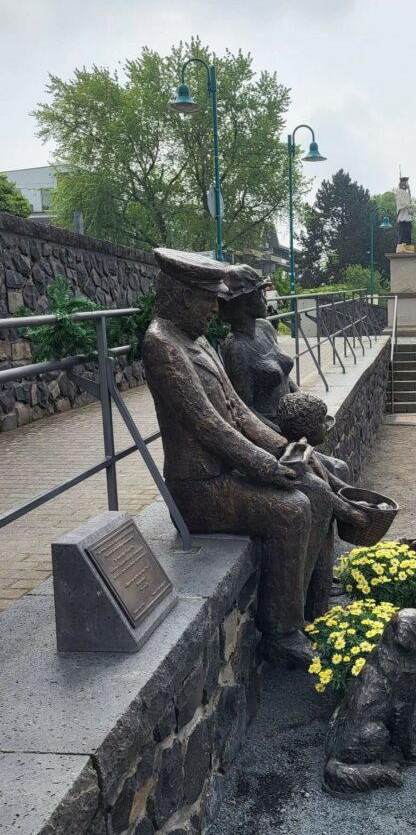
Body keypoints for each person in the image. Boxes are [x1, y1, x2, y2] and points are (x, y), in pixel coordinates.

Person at [141, 249, 365, 666]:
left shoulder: (197, 341)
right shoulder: (162, 346)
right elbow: (210, 426)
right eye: (208, 298)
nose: (215, 307)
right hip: (200, 489)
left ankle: (312, 608)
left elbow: (239, 413)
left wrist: (283, 449)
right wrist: (267, 466)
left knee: (314, 492)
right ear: (182, 294)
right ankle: (280, 634)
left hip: (228, 474)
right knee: (293, 509)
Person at [218, 264, 351, 484]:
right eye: (258, 293)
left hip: (292, 424)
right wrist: (283, 436)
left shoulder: (264, 328)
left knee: (339, 469)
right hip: (272, 434)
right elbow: (244, 409)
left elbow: (283, 375)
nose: (264, 298)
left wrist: (308, 410)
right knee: (332, 474)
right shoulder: (236, 349)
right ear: (243, 302)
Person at [395, 176, 413, 250]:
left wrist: (409, 189)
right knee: (403, 228)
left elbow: (409, 199)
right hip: (403, 212)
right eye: (405, 182)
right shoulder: (399, 192)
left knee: (408, 228)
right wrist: (408, 205)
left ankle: (407, 243)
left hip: (407, 213)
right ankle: (402, 242)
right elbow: (402, 202)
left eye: (406, 183)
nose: (406, 184)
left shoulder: (406, 192)